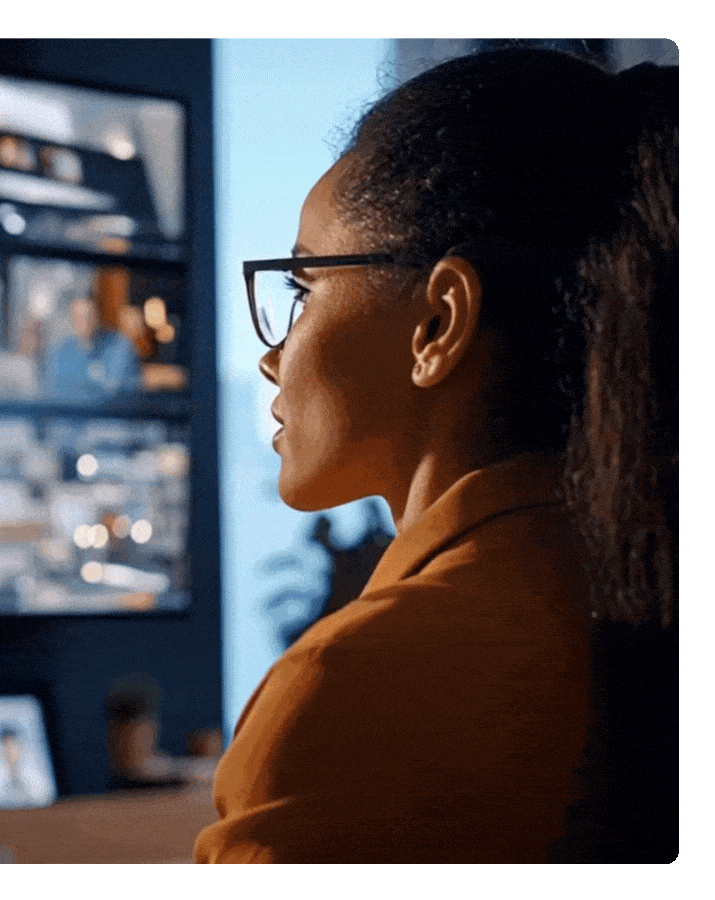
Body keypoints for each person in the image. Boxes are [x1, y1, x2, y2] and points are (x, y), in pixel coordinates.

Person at [196, 48, 676, 863]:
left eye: (303, 290)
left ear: (438, 325)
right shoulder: (639, 597)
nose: (272, 356)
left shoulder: (350, 690)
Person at [44, 295, 139, 400]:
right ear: (71, 320)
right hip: (72, 414)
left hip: (107, 414)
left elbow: (118, 390)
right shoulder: (59, 353)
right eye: (78, 317)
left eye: (89, 316)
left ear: (98, 317)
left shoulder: (118, 347)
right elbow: (54, 393)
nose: (85, 322)